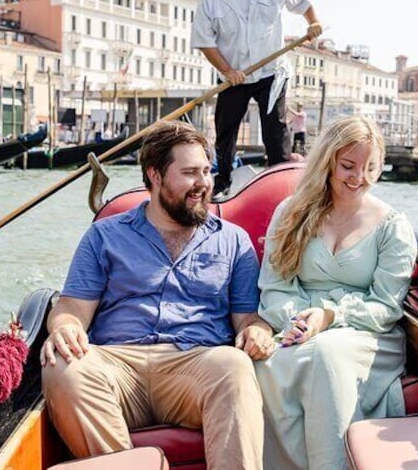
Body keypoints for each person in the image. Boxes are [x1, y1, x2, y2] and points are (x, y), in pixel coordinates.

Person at [40, 121, 274, 468]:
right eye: (190, 172)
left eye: (207, 171)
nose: (204, 183)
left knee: (234, 366)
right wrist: (64, 326)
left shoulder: (233, 240)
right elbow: (71, 307)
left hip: (195, 364)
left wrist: (258, 330)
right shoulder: (104, 235)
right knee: (62, 368)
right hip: (117, 364)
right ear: (155, 175)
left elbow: (247, 317)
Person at [254, 116, 418, 470]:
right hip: (296, 327)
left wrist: (330, 316)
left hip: (368, 334)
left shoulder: (394, 226)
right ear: (327, 161)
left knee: (328, 353)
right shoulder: (291, 213)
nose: (360, 178)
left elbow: (386, 307)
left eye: (371, 167)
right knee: (264, 367)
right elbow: (275, 289)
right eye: (348, 166)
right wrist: (299, 321)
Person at [191, 0, 323, 196]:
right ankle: (223, 181)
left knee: (275, 130)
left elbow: (302, 0)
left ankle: (281, 184)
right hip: (234, 75)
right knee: (225, 129)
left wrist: (313, 22)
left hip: (272, 71)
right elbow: (204, 41)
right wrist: (228, 71)